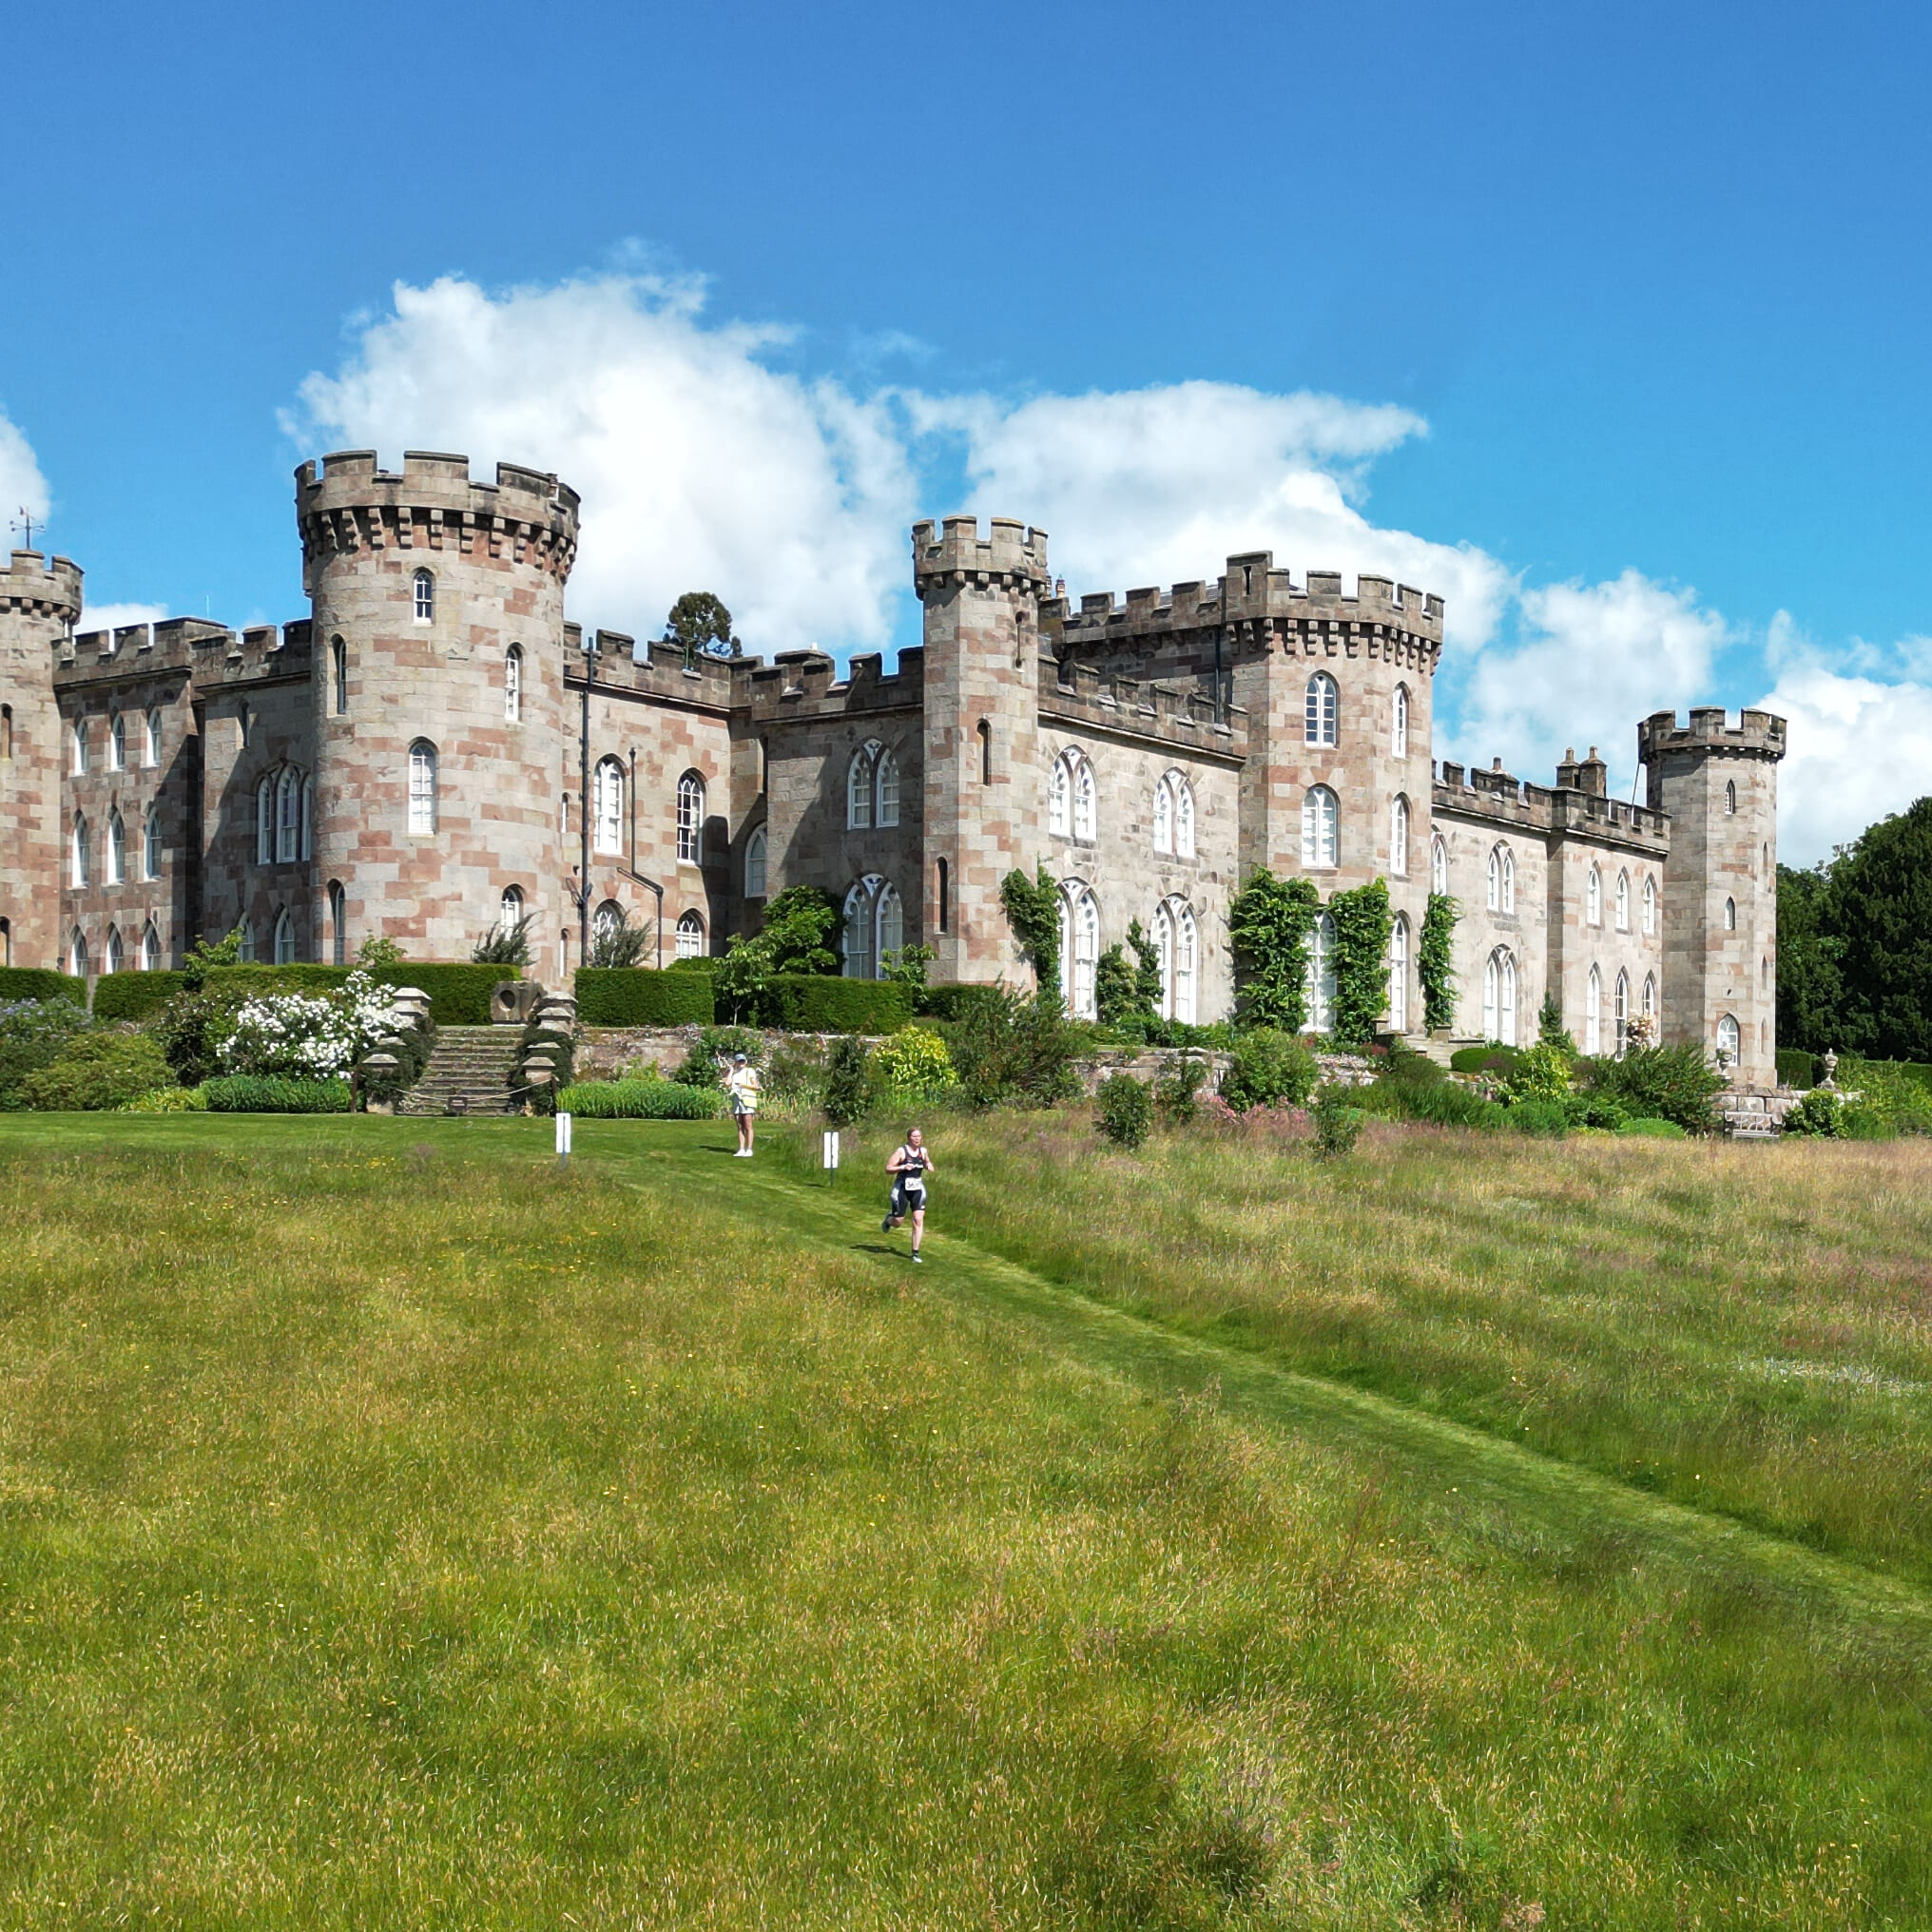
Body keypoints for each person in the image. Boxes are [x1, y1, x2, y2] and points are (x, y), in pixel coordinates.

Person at [881, 1127, 934, 1262]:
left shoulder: (923, 1151)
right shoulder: (901, 1151)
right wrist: (903, 1167)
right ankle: (889, 1220)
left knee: (918, 1219)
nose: (917, 1139)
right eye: (914, 1137)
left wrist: (929, 1165)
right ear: (909, 1138)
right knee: (898, 1222)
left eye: (919, 1136)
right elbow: (888, 1169)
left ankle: (915, 1253)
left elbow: (927, 1161)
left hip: (917, 1188)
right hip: (901, 1188)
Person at [726, 1052, 761, 1156]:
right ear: (736, 1062)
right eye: (739, 1061)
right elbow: (727, 1083)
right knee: (740, 1125)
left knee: (748, 1125)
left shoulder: (749, 1071)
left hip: (747, 1100)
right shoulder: (736, 1074)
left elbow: (756, 1086)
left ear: (745, 1061)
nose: (741, 1063)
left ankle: (749, 1149)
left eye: (742, 1061)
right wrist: (731, 1070)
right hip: (737, 1101)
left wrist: (743, 1086)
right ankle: (741, 1148)